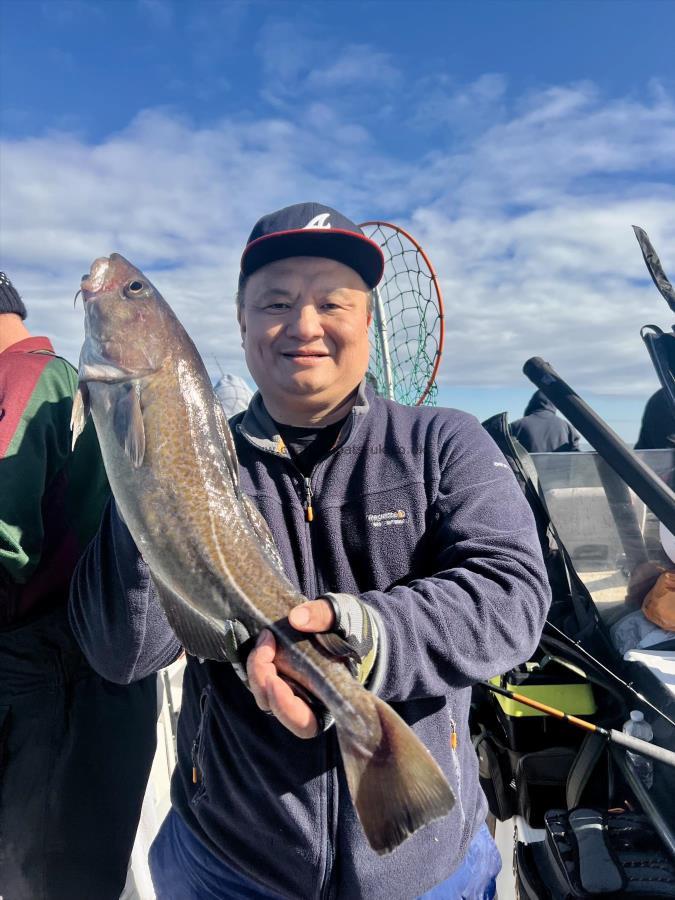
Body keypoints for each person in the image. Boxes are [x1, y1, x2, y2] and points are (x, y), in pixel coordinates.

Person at [69, 203, 552, 899]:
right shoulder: (206, 448)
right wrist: (150, 485)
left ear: (367, 320)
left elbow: (510, 598)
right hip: (227, 864)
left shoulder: (445, 444)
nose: (302, 325)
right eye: (274, 302)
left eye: (332, 302)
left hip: (427, 871)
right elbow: (121, 654)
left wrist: (358, 633)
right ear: (239, 324)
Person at [0, 272, 158, 900]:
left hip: (47, 675)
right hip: (83, 664)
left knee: (37, 870)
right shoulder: (56, 376)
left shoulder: (21, 379)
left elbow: (5, 543)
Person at [511, 389, 580, 453]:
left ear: (533, 402)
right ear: (554, 404)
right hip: (561, 466)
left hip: (527, 466)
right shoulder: (567, 427)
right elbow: (576, 455)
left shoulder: (516, 426)